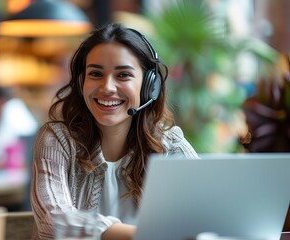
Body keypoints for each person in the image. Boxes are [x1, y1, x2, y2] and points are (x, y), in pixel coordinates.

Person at [30, 23, 198, 240]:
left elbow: (208, 215)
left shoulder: (170, 145)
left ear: (149, 86)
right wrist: (145, 235)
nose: (107, 87)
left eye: (123, 75)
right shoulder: (57, 140)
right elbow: (53, 222)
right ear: (82, 82)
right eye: (96, 74)